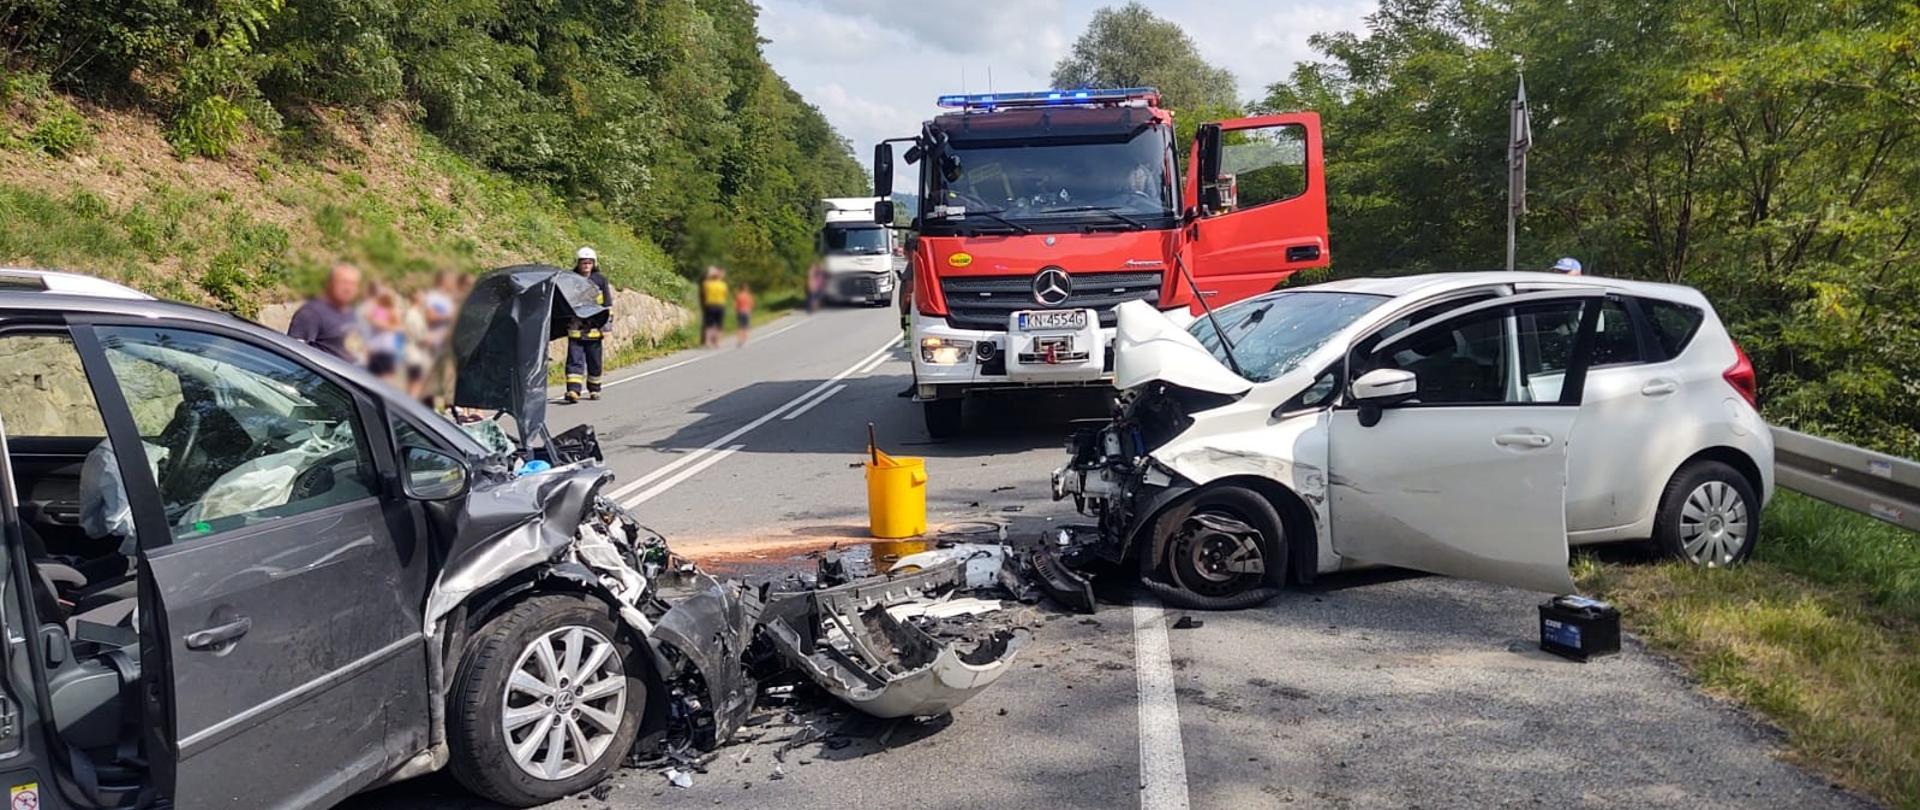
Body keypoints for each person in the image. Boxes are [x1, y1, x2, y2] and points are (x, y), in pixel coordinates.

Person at [565, 247, 615, 402]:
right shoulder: (570, 278)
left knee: (594, 361)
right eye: (583, 263)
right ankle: (574, 391)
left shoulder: (600, 280)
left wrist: (607, 324)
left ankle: (594, 389)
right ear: (578, 264)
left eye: (589, 263)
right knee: (574, 361)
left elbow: (607, 303)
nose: (586, 265)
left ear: (594, 263)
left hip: (594, 327)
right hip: (576, 328)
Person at [287, 263, 362, 362]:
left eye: (353, 284)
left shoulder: (354, 315)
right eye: (344, 282)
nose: (348, 289)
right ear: (330, 283)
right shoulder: (312, 313)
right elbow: (294, 354)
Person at [700, 266, 729, 348]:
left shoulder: (707, 284)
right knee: (719, 324)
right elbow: (725, 295)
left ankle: (707, 342)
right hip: (720, 305)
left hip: (710, 305)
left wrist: (710, 274)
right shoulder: (723, 285)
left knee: (709, 324)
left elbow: (704, 293)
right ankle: (717, 342)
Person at [733, 283, 754, 348]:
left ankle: (740, 340)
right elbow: (751, 304)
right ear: (746, 288)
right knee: (746, 327)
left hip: (740, 312)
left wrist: (737, 311)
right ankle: (744, 341)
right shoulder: (748, 295)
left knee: (740, 327)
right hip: (747, 312)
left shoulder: (738, 296)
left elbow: (735, 305)